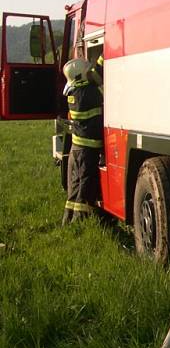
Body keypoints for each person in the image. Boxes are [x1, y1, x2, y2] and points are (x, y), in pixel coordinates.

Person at [62, 57, 104, 224]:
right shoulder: (89, 93)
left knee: (76, 182)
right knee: (86, 182)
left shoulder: (74, 93)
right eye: (87, 72)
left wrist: (102, 57)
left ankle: (67, 217)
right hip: (88, 148)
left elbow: (94, 74)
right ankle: (80, 220)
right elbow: (105, 88)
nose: (90, 73)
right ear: (80, 76)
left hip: (78, 146)